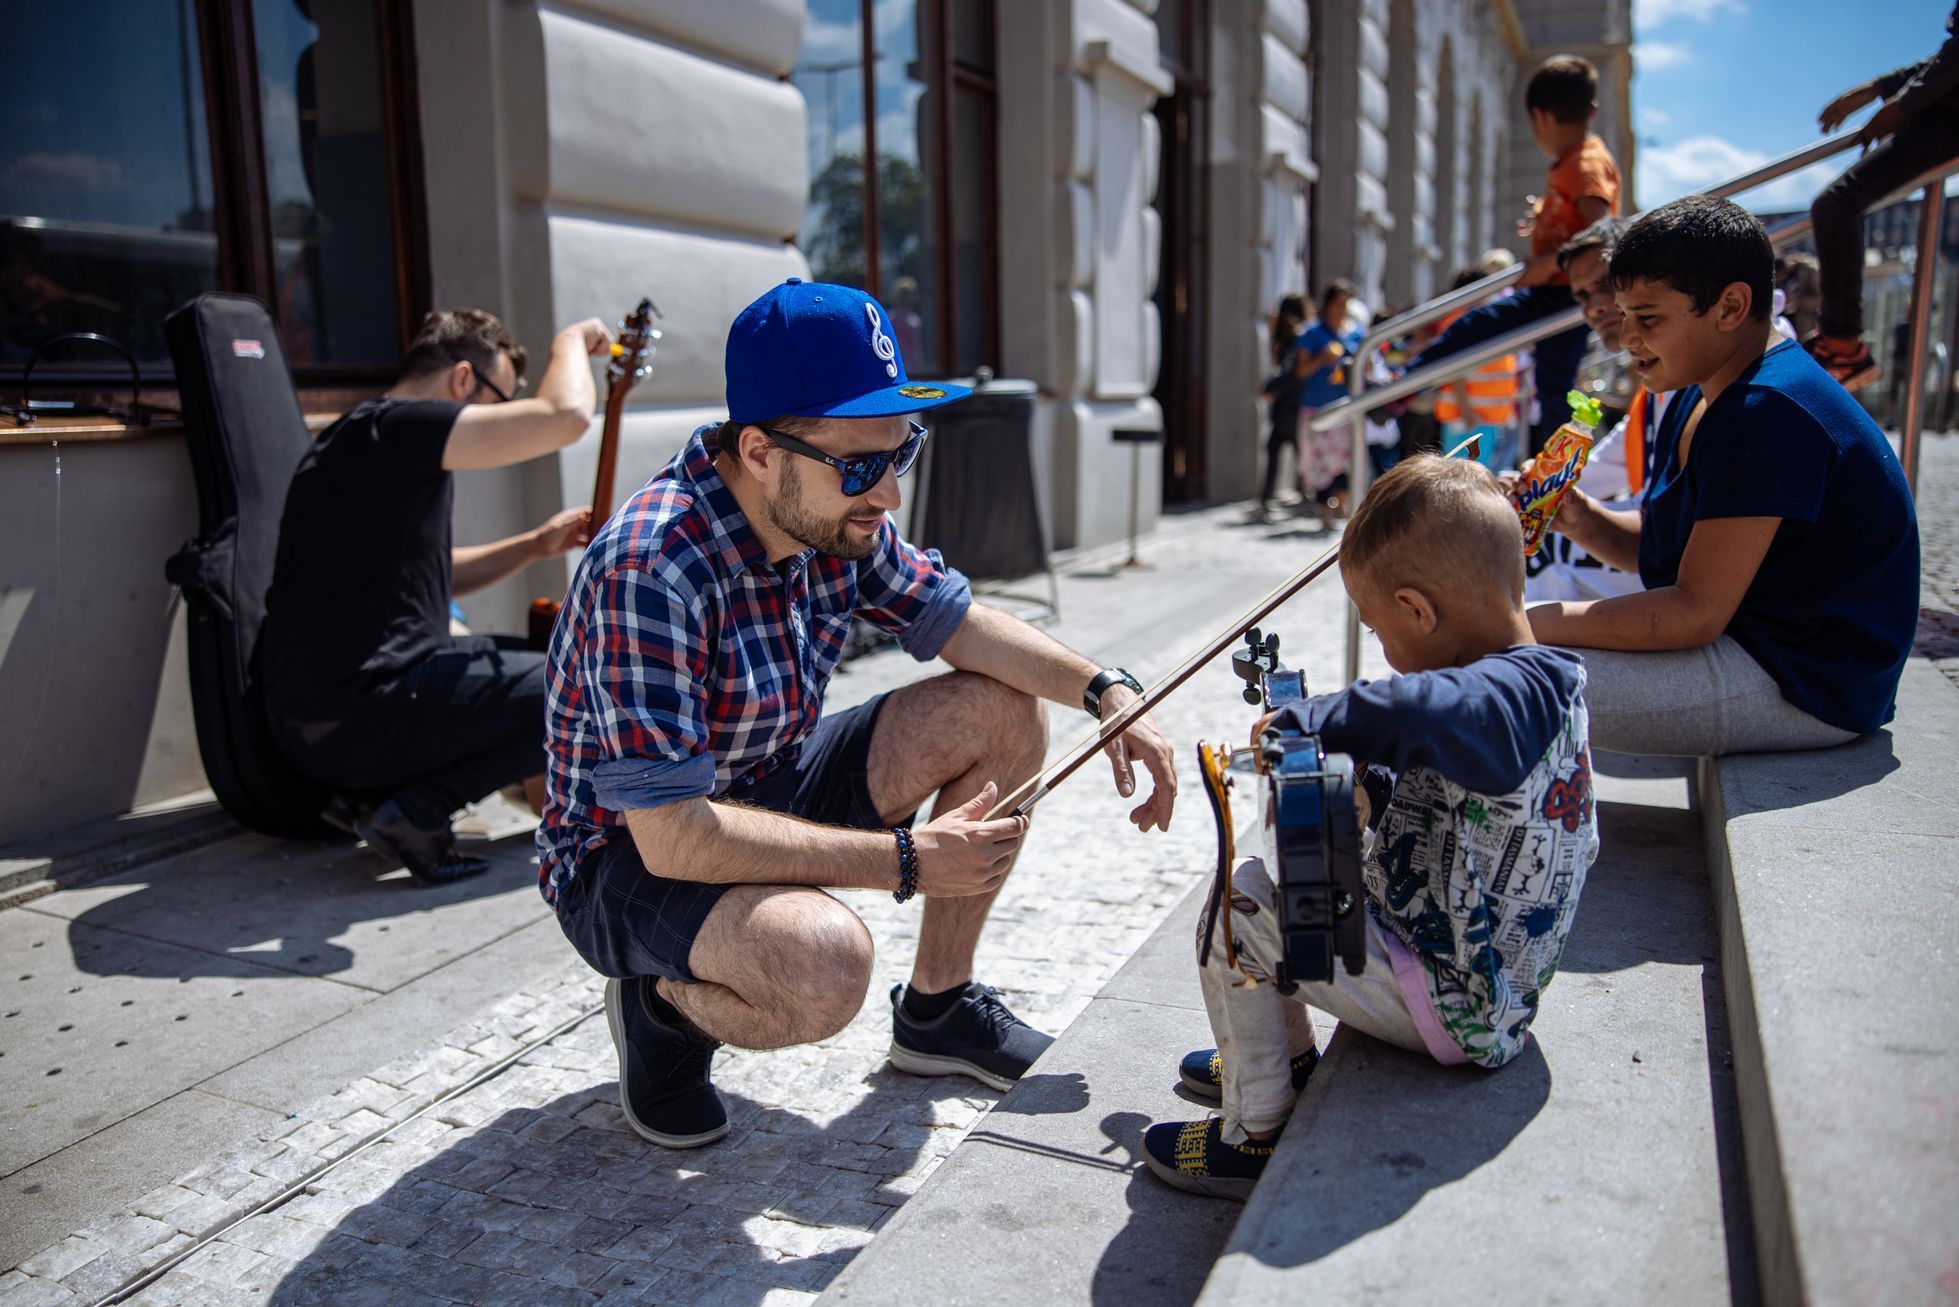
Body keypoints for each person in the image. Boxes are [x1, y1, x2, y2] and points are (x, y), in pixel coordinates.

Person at [539, 278, 1179, 1149]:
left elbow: (961, 623)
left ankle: (937, 1011)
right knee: (824, 966)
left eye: (899, 453)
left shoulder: (829, 517)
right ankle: (661, 1002)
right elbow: (674, 836)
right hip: (629, 852)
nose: (887, 494)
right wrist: (908, 860)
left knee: (1003, 710)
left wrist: (1107, 691)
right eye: (858, 465)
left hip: (761, 781)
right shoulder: (650, 569)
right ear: (759, 450)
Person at [1139, 456, 1598, 1198]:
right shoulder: (1544, 682)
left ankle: (1254, 1129)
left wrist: (1312, 719)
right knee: (1284, 881)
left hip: (1459, 1003)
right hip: (1468, 974)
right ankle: (1277, 1057)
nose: (1384, 653)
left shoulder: (1508, 694)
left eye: (1381, 631)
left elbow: (1421, 707)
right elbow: (1443, 765)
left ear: (1418, 609)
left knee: (1237, 909)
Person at [1528, 196, 1920, 756]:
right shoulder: (1702, 387)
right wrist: (1581, 517)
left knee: (1487, 667)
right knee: (1482, 655)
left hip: (1805, 682)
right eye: (1624, 314)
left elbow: (1692, 612)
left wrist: (1521, 621)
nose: (1626, 337)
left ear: (1731, 307)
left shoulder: (1768, 408)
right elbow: (1666, 553)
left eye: (1648, 318)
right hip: (1753, 645)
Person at [260, 308, 609, 884]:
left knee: (553, 659)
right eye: (501, 401)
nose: (500, 419)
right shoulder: (394, 428)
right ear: (463, 380)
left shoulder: (367, 444)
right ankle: (415, 810)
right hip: (355, 716)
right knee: (589, 682)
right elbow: (564, 416)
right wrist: (570, 339)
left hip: (332, 717)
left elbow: (431, 576)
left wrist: (531, 546)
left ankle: (386, 798)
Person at [1408, 55, 1621, 457]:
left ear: (1539, 117)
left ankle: (1555, 474)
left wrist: (1549, 262)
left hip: (1563, 295)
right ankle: (1409, 378)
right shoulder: (1573, 162)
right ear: (1591, 110)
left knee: (1550, 383)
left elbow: (1600, 234)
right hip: (1551, 291)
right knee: (1483, 327)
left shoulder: (1586, 164)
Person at [1808, 2, 1959, 391]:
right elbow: (1947, 55)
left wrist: (1902, 105)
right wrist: (1876, 90)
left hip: (1948, 116)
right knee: (1835, 204)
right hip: (1941, 108)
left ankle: (1843, 347)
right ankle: (1842, 345)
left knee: (1836, 204)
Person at [1431, 269, 1523, 472]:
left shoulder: (1479, 318)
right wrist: (1466, 412)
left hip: (1483, 416)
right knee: (1463, 479)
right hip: (1467, 417)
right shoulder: (1461, 321)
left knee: (1477, 478)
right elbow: (1454, 370)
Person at [1295, 279, 1364, 531]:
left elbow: (1367, 366)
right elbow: (1300, 370)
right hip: (1318, 407)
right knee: (1320, 462)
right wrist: (1321, 359)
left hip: (1347, 406)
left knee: (1345, 459)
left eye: (1346, 304)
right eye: (1338, 303)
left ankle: (1343, 503)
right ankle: (1324, 509)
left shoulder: (1357, 333)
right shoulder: (1312, 333)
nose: (1341, 309)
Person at [1254, 293, 1312, 521]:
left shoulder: (1296, 337)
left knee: (1286, 448)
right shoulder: (1292, 336)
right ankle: (1300, 494)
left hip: (1291, 403)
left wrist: (1272, 389)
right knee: (1287, 449)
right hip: (1291, 403)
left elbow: (1290, 372)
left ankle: (1274, 496)